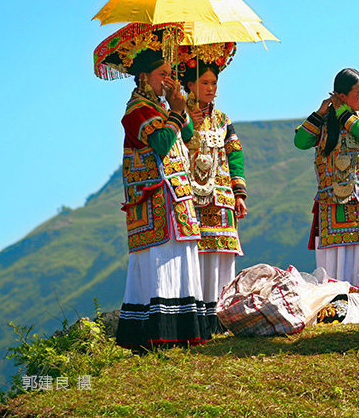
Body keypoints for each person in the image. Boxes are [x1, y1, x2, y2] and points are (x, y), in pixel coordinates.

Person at [93, 22, 210, 349]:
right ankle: (157, 334)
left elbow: (185, 138)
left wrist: (181, 109)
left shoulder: (162, 107)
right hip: (153, 200)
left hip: (177, 198)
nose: (169, 81)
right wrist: (175, 113)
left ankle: (185, 332)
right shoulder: (136, 110)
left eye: (171, 75)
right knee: (159, 263)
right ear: (144, 77)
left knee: (182, 258)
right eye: (163, 75)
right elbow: (160, 142)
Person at [294, 68, 359, 295]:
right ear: (341, 96)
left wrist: (343, 115)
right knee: (337, 254)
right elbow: (300, 141)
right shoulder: (324, 124)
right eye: (358, 93)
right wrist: (320, 113)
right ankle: (336, 301)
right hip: (333, 203)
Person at [178, 42, 247, 334]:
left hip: (222, 199)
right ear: (189, 85)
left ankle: (222, 317)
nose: (210, 88)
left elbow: (235, 155)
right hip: (192, 200)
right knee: (196, 256)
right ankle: (197, 320)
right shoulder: (177, 115)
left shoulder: (222, 120)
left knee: (222, 257)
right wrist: (183, 125)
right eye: (204, 82)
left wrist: (239, 193)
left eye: (214, 83)